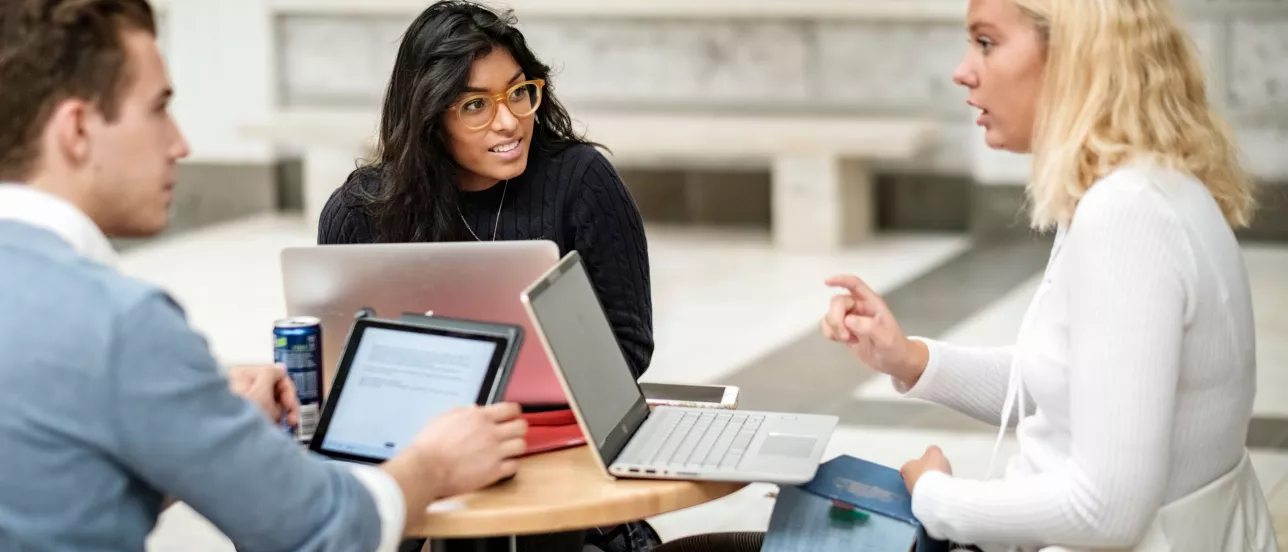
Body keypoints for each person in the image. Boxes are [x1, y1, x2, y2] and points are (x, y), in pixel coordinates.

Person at [0, 1, 527, 551]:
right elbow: (319, 532)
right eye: (158, 109)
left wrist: (200, 433)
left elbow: (55, 499)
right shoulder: (120, 324)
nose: (181, 144)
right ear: (77, 130)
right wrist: (436, 463)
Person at [821, 0, 1279, 550]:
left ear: (1072, 54)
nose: (962, 70)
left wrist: (937, 497)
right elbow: (1067, 387)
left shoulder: (1127, 215)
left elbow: (1106, 512)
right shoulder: (1134, 189)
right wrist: (909, 359)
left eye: (986, 42)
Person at [318, 0, 654, 379]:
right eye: (476, 105)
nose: (509, 121)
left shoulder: (584, 182)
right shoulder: (358, 212)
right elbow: (339, 358)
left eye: (517, 92)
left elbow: (628, 345)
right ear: (428, 118)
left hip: (552, 418)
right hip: (418, 426)